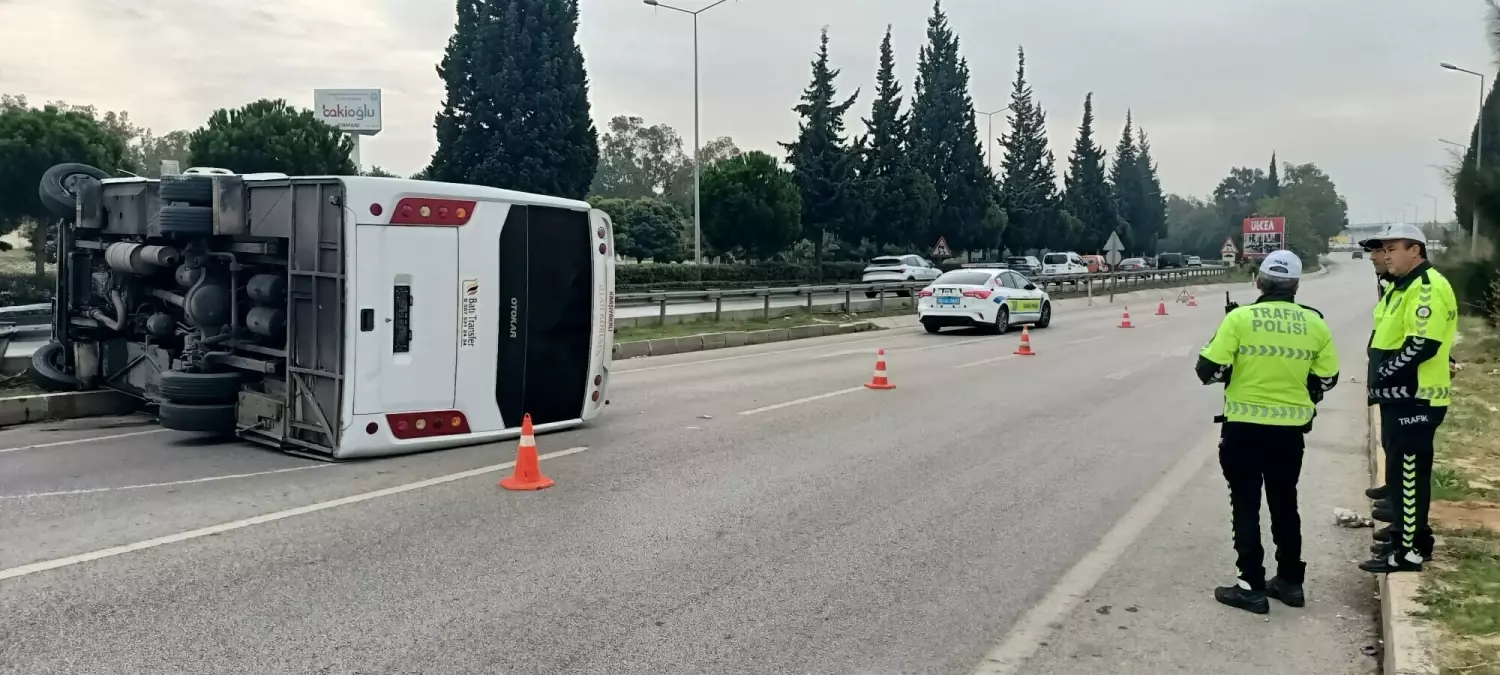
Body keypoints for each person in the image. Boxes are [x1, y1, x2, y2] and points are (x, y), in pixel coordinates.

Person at [1196, 250, 1340, 614]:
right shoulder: (1315, 322)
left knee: (1245, 504)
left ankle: (1251, 587)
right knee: (1284, 502)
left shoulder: (1240, 319)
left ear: (1258, 281)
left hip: (1243, 429)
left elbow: (1207, 370)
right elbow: (1328, 378)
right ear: (1295, 285)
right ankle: (1291, 583)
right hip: (1289, 433)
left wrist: (1234, 373)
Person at [1357, 223, 1458, 573]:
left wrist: (1385, 373)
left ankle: (1409, 552)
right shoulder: (1401, 288)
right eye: (1383, 248)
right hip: (1398, 397)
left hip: (1417, 397)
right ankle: (1411, 538)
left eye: (1392, 247)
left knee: (1410, 475)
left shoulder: (1426, 287)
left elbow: (1422, 345)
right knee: (1400, 476)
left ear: (1415, 249)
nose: (1385, 254)